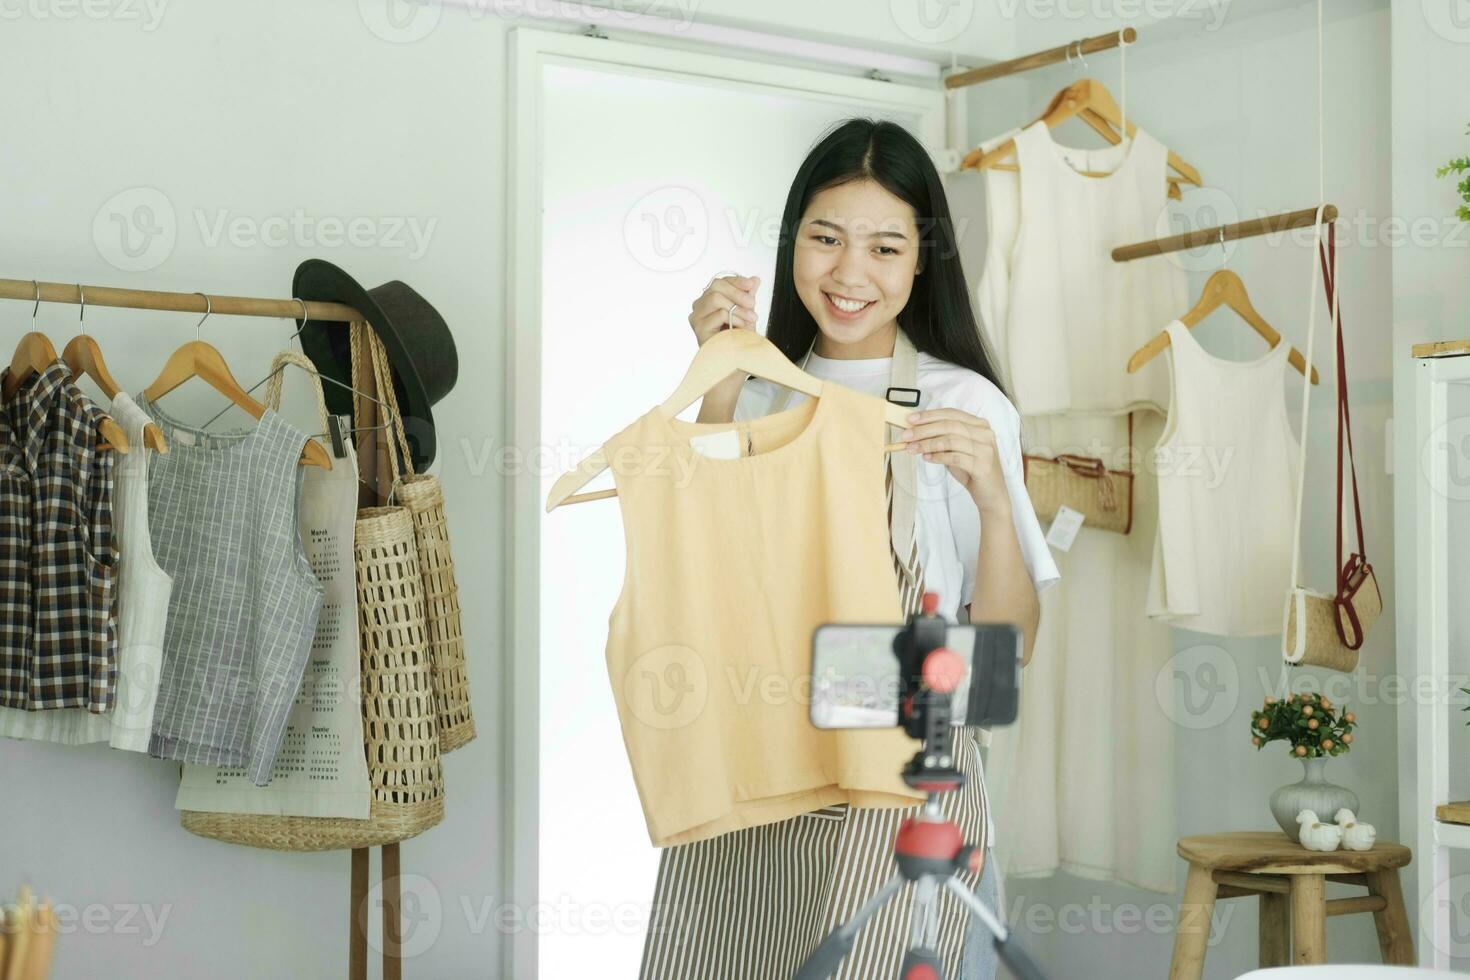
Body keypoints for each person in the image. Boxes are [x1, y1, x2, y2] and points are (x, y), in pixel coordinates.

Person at [638, 118, 1059, 980]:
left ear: (919, 262)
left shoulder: (962, 402)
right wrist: (712, 393)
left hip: (902, 779)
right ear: (794, 240)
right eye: (826, 238)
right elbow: (700, 593)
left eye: (885, 247)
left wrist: (988, 487)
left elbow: (1009, 651)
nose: (851, 272)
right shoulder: (752, 392)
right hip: (756, 773)